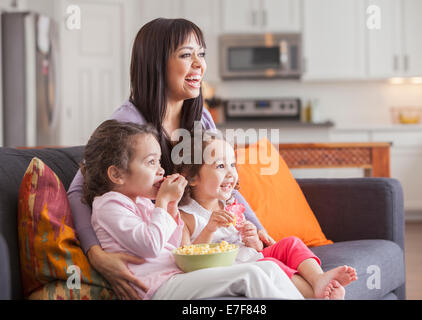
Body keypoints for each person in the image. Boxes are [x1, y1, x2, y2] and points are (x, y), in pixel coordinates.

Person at [67, 18, 266, 299]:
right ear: (156, 64)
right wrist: (96, 255)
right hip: (163, 259)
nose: (200, 64)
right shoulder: (128, 124)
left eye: (202, 54)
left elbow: (226, 182)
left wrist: (259, 229)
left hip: (196, 244)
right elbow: (78, 190)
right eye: (186, 55)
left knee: (272, 269)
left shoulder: (201, 119)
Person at [81, 119, 303, 300]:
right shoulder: (109, 205)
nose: (160, 170)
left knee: (269, 269)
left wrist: (170, 206)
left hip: (176, 277)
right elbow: (149, 245)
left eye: (159, 162)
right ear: (117, 174)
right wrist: (162, 203)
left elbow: (177, 246)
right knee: (250, 274)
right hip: (157, 288)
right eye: (151, 163)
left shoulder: (141, 202)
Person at [175, 133, 358, 299]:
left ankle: (319, 279)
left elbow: (254, 247)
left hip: (249, 255)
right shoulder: (186, 216)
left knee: (290, 243)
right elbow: (186, 261)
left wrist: (252, 238)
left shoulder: (230, 204)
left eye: (232, 164)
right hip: (233, 268)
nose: (231, 173)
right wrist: (209, 229)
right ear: (192, 178)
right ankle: (315, 295)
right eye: (221, 166)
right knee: (272, 264)